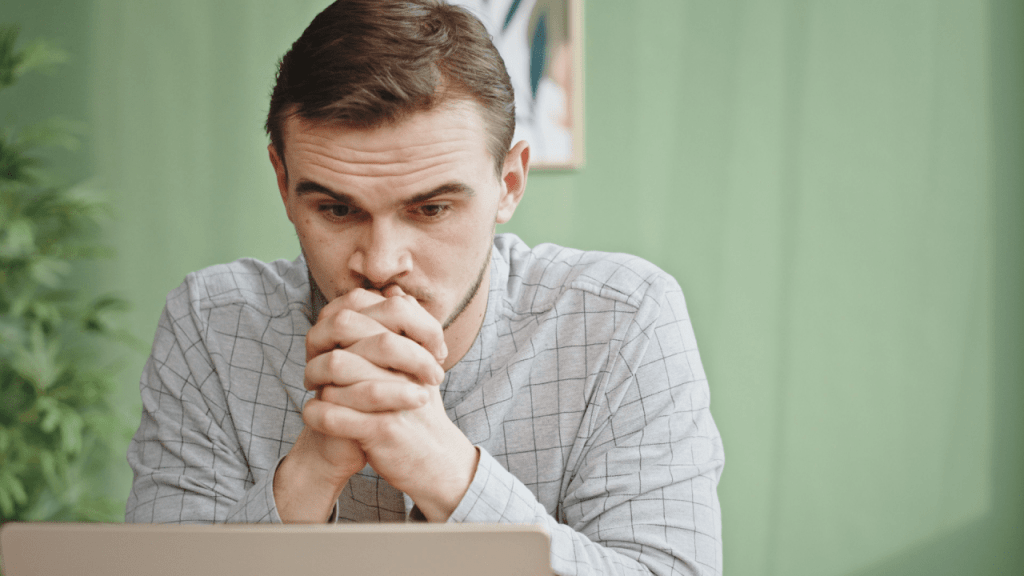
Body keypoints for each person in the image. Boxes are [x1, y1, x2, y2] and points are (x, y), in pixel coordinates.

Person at [124, 1, 725, 574]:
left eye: (431, 208)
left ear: (509, 184)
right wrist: (308, 472)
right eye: (337, 209)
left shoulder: (623, 320)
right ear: (284, 184)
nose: (381, 263)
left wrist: (447, 471)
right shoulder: (212, 323)